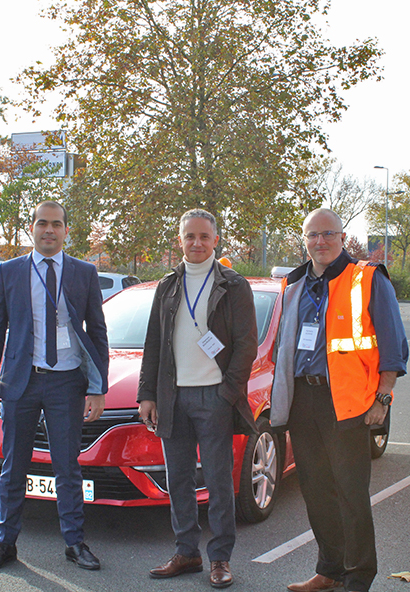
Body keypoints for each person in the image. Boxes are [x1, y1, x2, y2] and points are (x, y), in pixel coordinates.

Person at [270, 208, 408, 592]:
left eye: (328, 233)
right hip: (303, 400)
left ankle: (358, 577)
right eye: (312, 235)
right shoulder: (294, 284)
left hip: (348, 403)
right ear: (305, 240)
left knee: (351, 493)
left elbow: (393, 344)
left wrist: (383, 396)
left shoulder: (367, 278)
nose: (320, 241)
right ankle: (329, 569)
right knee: (315, 490)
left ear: (342, 237)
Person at [0, 200, 109, 573]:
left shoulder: (84, 273)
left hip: (67, 383)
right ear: (31, 228)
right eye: (41, 224)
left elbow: (97, 333)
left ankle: (74, 543)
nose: (48, 230)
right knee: (13, 465)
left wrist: (99, 387)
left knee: (67, 467)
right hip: (22, 381)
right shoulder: (10, 272)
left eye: (56, 224)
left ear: (67, 230)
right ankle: (5, 543)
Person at [137, 208, 258, 589]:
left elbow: (246, 346)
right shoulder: (167, 286)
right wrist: (147, 395)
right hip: (173, 397)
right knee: (180, 481)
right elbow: (154, 344)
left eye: (204, 236)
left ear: (216, 240)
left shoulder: (234, 285)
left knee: (220, 482)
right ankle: (186, 552)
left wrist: (227, 394)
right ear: (180, 240)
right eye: (190, 236)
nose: (197, 243)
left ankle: (219, 558)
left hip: (215, 398)